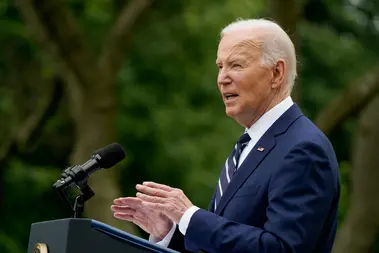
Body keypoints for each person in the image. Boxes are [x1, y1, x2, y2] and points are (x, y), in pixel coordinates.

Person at [111, 18, 340, 253]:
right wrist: (169, 233)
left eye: (236, 65)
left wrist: (190, 217)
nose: (222, 78)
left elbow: (281, 249)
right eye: (220, 66)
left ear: (276, 73)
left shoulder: (303, 149)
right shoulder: (250, 145)